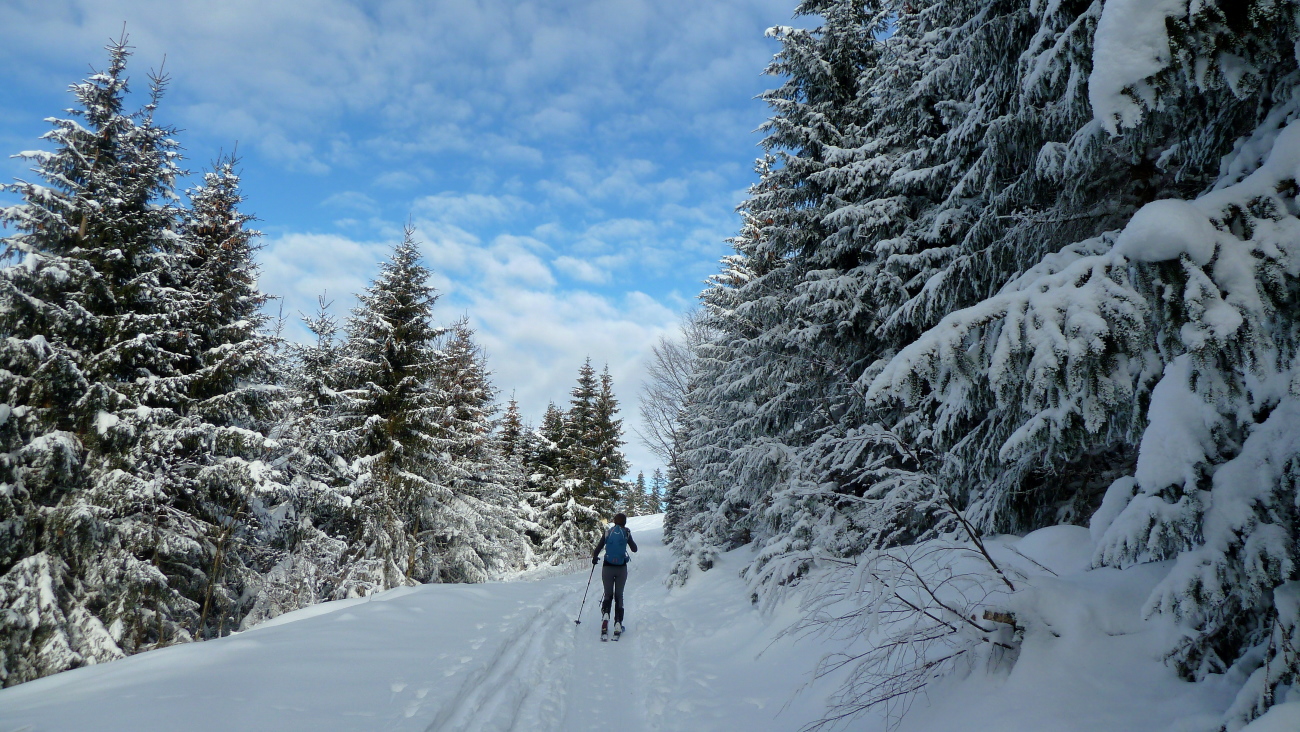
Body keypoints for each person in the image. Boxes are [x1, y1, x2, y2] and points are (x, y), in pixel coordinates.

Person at [591, 513, 637, 639]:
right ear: (625, 522)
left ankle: (606, 617)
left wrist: (595, 558)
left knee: (608, 594)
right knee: (619, 596)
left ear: (614, 521)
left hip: (607, 567)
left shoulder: (608, 532)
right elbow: (634, 549)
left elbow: (598, 548)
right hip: (621, 568)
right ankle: (618, 623)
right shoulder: (626, 532)